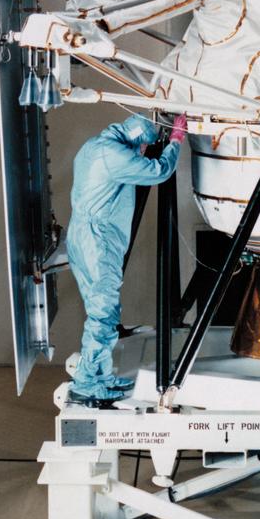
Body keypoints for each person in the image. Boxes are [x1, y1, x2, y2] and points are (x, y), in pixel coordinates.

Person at [66, 112, 187, 408]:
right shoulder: (114, 155)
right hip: (99, 242)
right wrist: (176, 140)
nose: (143, 152)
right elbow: (159, 171)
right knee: (103, 312)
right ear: (137, 142)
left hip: (82, 236)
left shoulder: (94, 145)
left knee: (101, 309)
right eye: (144, 147)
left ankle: (101, 376)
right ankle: (87, 385)